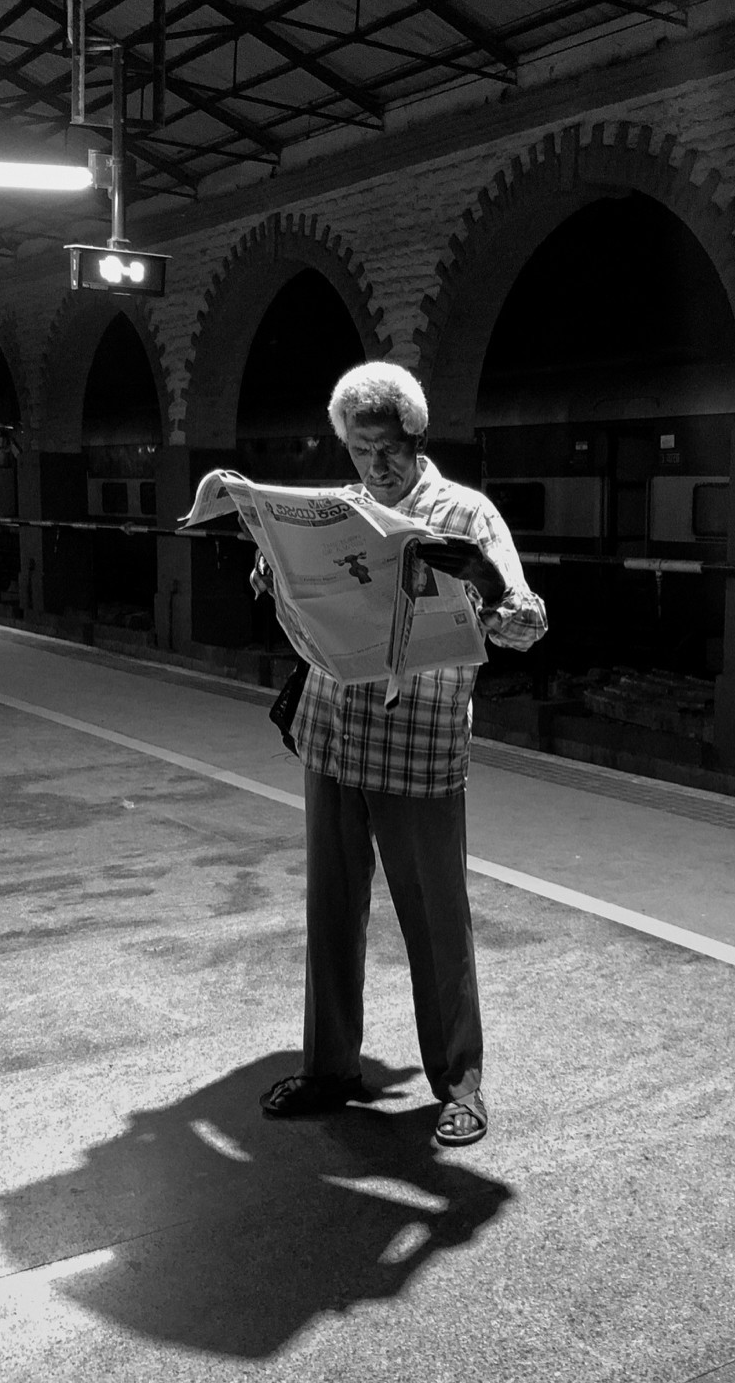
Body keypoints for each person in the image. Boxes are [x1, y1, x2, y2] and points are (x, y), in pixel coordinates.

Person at [253, 361, 547, 1146]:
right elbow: (295, 601)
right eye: (358, 450)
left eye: (387, 449)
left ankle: (459, 1084)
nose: (374, 467)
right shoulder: (338, 510)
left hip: (418, 745)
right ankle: (330, 1068)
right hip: (333, 731)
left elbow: (526, 627)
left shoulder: (464, 512)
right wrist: (276, 564)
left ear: (417, 438)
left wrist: (488, 582)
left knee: (435, 918)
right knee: (330, 912)